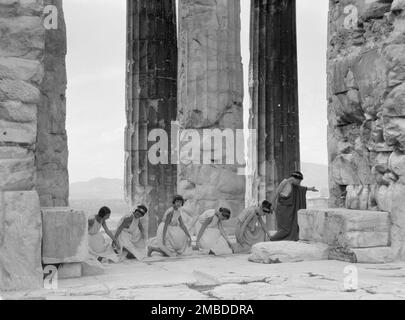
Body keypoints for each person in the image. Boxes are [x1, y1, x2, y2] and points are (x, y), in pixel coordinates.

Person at [270, 171, 318, 242]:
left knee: (290, 228)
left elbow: (300, 188)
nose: (299, 183)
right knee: (285, 230)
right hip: (283, 211)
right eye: (299, 181)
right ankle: (273, 239)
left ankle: (284, 240)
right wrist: (271, 204)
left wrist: (310, 189)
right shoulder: (285, 182)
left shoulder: (294, 186)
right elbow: (276, 193)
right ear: (295, 179)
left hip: (290, 211)